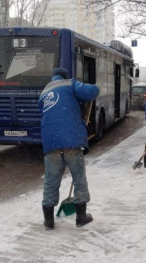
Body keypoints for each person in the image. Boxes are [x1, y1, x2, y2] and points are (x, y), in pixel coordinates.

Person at [38, 67, 100, 230]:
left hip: (51, 142)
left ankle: (49, 221)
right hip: (71, 140)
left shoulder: (44, 92)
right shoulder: (70, 84)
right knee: (79, 178)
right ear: (65, 76)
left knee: (51, 181)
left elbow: (45, 113)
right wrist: (94, 86)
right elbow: (90, 92)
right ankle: (81, 217)